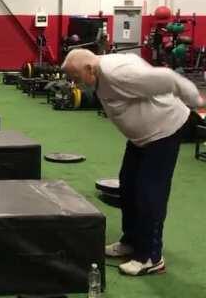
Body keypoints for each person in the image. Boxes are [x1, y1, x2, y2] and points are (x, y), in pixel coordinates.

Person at [61, 48, 204, 276]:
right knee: (127, 187)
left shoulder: (117, 74)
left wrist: (195, 101)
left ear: (89, 68)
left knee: (150, 193)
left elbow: (168, 78)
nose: (74, 83)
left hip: (164, 131)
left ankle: (150, 257)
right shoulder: (100, 72)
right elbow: (136, 62)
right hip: (140, 138)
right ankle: (131, 242)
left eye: (76, 77)